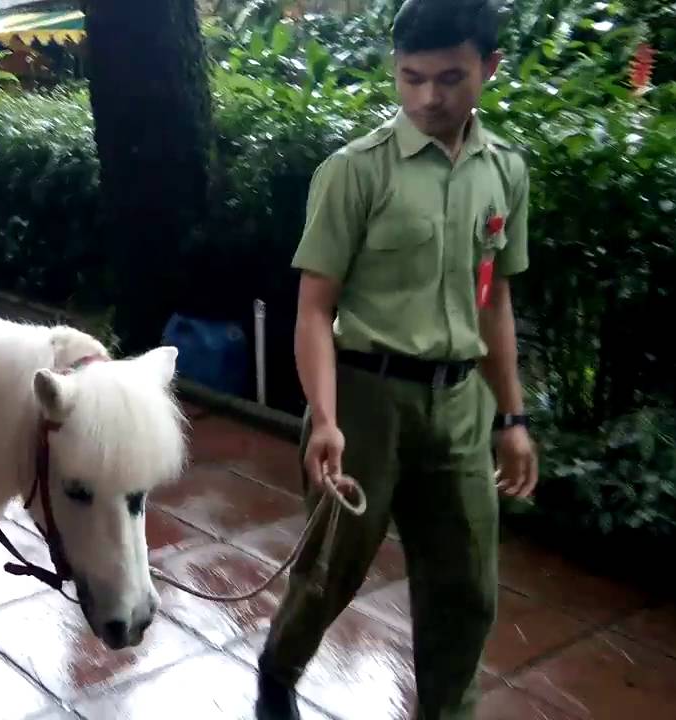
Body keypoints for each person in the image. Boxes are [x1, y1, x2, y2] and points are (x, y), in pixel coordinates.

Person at [254, 2, 539, 719]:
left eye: (450, 78)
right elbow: (314, 309)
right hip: (363, 400)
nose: (427, 98)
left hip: (461, 405)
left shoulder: (505, 170)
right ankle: (279, 669)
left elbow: (494, 300)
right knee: (330, 571)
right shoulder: (355, 172)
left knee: (467, 586)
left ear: (490, 68)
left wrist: (512, 415)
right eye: (411, 78)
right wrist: (323, 419)